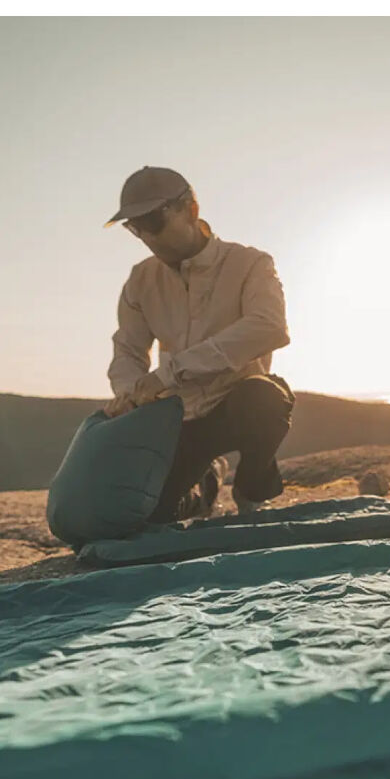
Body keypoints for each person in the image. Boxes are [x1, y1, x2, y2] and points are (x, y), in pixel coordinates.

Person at [103, 166, 294, 521]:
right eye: (135, 227)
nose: (146, 236)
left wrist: (171, 373)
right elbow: (128, 349)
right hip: (177, 418)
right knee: (153, 515)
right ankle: (205, 484)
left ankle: (252, 491)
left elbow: (269, 327)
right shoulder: (141, 280)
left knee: (267, 399)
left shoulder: (250, 263)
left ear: (191, 210)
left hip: (238, 405)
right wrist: (129, 394)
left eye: (153, 221)